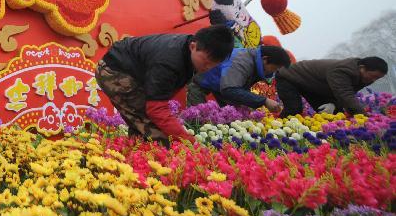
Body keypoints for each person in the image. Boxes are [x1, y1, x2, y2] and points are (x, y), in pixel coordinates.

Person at [94, 25, 235, 142]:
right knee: (158, 136)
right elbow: (156, 108)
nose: (207, 68)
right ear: (193, 46)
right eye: (205, 62)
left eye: (213, 65)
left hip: (132, 73)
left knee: (143, 126)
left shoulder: (189, 54)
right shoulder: (170, 60)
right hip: (114, 70)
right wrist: (186, 139)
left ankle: (134, 162)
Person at [187, 45, 292, 111]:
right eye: (275, 68)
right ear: (265, 59)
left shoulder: (255, 63)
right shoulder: (243, 62)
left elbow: (237, 90)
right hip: (201, 84)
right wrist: (264, 101)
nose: (274, 72)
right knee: (200, 119)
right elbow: (230, 89)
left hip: (220, 87)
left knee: (233, 120)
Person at [275, 56, 388, 117]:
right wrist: (364, 117)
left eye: (377, 78)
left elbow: (343, 96)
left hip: (312, 85)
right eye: (373, 76)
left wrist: (334, 104)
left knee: (335, 114)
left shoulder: (362, 78)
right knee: (294, 109)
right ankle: (276, 133)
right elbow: (345, 94)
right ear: (362, 67)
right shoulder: (343, 71)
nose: (373, 80)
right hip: (289, 77)